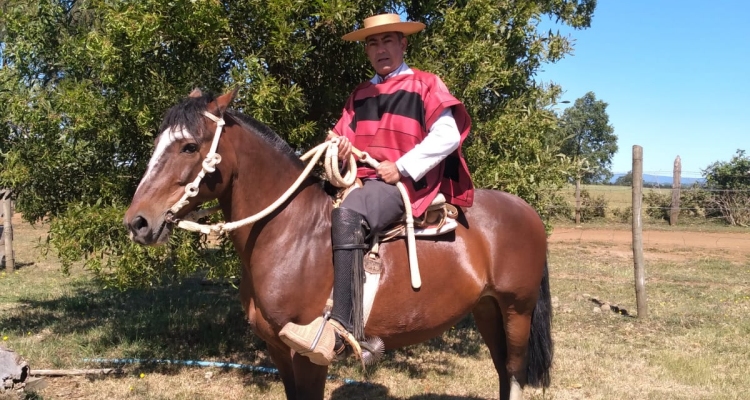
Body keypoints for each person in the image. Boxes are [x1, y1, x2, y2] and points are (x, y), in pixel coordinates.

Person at [279, 13, 474, 366]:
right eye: (372, 43)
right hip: (362, 180)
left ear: (403, 44)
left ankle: (343, 328)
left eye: (388, 41)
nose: (380, 49)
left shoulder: (426, 85)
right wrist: (338, 148)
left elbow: (446, 136)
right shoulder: (360, 94)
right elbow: (344, 139)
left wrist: (399, 167)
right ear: (367, 51)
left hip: (404, 184)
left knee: (350, 213)